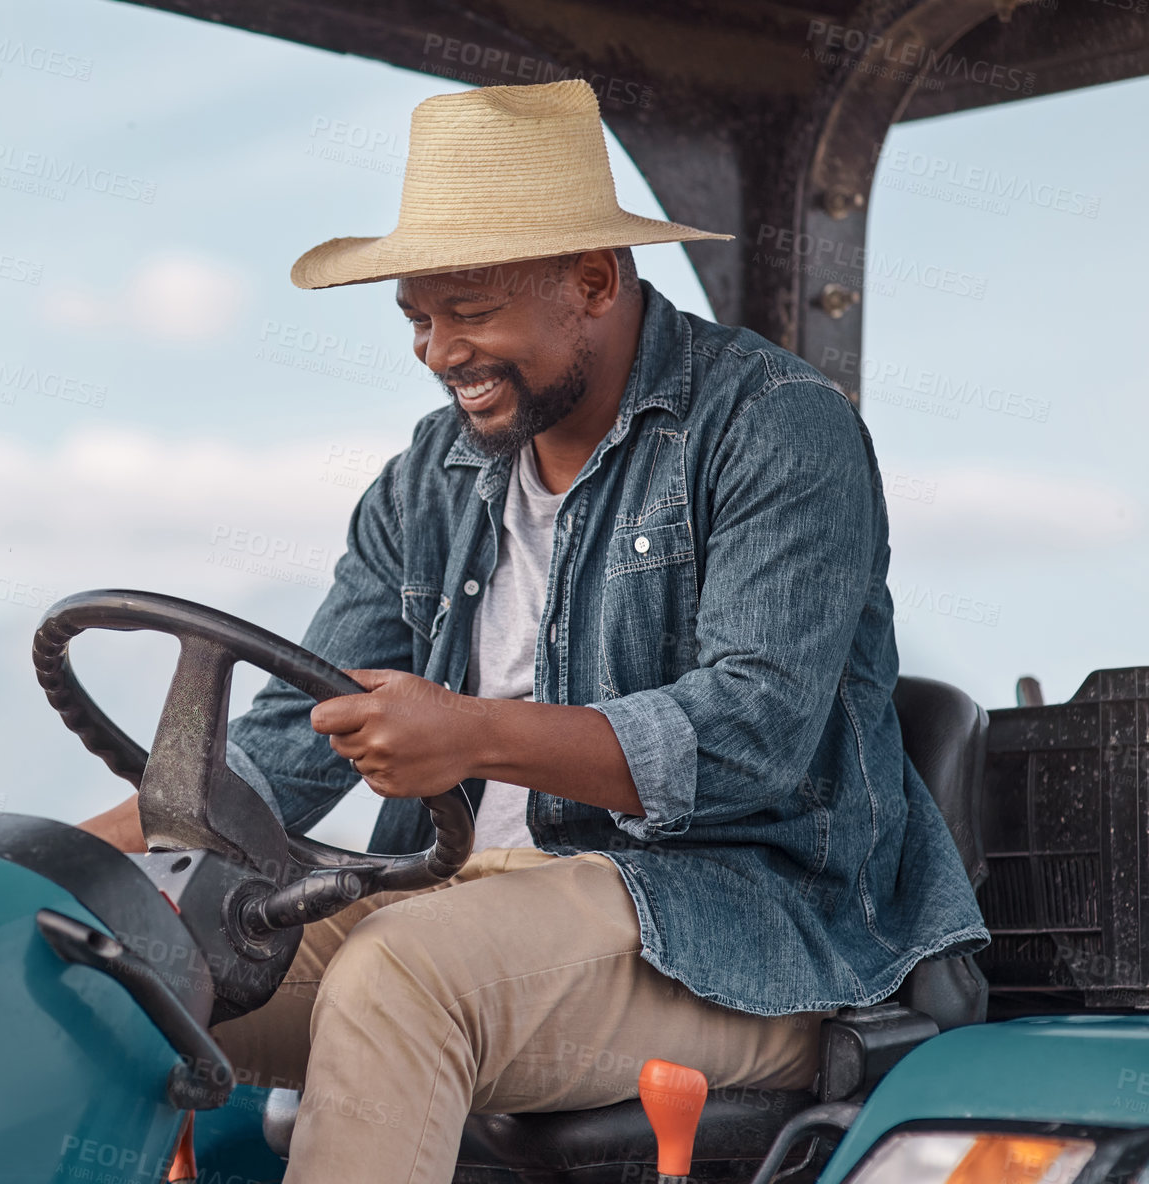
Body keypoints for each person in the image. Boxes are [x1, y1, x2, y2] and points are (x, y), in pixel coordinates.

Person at [79, 77, 987, 1183]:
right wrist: (59, 858)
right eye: (416, 317)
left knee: (401, 976)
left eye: (468, 311)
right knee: (111, 961)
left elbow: (753, 733)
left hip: (739, 934)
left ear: (593, 281)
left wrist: (470, 733)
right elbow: (285, 740)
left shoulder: (774, 428)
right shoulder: (430, 473)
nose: (435, 350)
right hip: (460, 902)